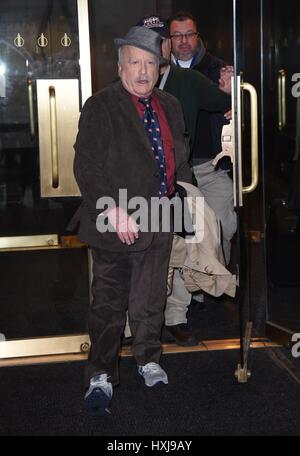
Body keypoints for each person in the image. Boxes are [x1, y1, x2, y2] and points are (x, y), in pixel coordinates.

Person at [73, 26, 192, 416]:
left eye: (150, 63)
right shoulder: (101, 105)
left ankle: (148, 358)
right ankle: (100, 374)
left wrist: (183, 198)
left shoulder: (170, 104)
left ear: (160, 67)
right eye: (134, 62)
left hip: (160, 214)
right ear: (120, 65)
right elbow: (86, 165)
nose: (143, 72)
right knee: (108, 304)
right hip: (115, 217)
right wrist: (110, 206)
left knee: (151, 297)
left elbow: (177, 156)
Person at [137, 16, 233, 346]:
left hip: (179, 178)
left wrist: (231, 92)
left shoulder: (188, 80)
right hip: (139, 184)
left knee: (178, 245)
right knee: (148, 252)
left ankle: (176, 316)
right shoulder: (128, 83)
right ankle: (139, 319)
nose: (156, 46)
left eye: (160, 40)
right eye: (148, 40)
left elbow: (228, 102)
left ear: (167, 46)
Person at [169, 11, 237, 266]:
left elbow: (239, 110)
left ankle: (217, 284)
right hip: (176, 167)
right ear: (169, 39)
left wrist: (229, 100)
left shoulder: (219, 69)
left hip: (212, 163)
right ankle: (193, 290)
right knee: (184, 232)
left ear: (198, 37)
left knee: (222, 226)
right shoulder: (158, 71)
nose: (184, 41)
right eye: (178, 35)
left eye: (189, 35)